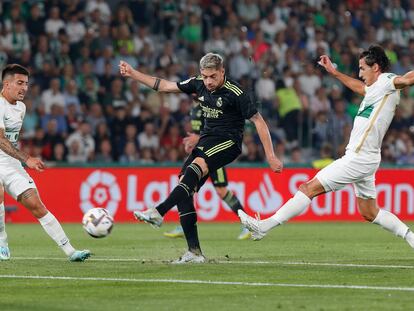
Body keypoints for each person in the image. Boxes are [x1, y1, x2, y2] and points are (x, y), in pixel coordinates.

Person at [239, 45, 414, 251]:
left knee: (307, 188)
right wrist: (335, 73)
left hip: (358, 158)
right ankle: (410, 237)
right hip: (366, 157)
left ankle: (263, 226)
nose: (359, 73)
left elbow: (407, 79)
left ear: (375, 67)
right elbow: (360, 88)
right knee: (369, 212)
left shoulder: (387, 81)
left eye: (362, 68)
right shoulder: (375, 89)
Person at [119, 53, 282, 263]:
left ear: (222, 72)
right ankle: (194, 252)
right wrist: (133, 74)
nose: (208, 81)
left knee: (196, 167)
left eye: (213, 76)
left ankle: (158, 212)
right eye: (205, 76)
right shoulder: (198, 84)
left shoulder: (236, 92)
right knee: (184, 184)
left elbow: (259, 121)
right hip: (206, 141)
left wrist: (271, 155)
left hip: (229, 143)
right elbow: (164, 86)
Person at [0, 64, 91, 261]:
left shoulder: (21, 107)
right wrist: (27, 159)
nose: (24, 88)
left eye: (26, 84)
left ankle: (70, 251)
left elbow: (11, 139)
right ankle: (2, 241)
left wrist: (21, 160)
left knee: (37, 205)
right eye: (19, 83)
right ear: (6, 84)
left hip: (11, 163)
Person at [163, 100, 252, 240]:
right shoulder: (193, 108)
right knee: (186, 186)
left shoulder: (209, 106)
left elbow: (216, 132)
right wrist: (192, 142)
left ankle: (247, 224)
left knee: (221, 190)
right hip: (200, 154)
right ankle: (183, 225)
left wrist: (197, 138)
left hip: (214, 154)